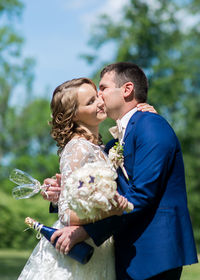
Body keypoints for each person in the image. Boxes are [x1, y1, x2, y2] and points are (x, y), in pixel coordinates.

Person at [50, 62, 198, 280]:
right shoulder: (113, 145)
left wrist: (86, 232)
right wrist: (64, 192)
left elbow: (141, 195)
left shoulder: (151, 126)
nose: (99, 95)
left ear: (127, 90)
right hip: (128, 251)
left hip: (154, 252)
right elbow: (102, 188)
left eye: (104, 88)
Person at [18, 77, 132, 280]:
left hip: (101, 247)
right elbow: (66, 214)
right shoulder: (77, 148)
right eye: (89, 102)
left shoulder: (98, 146)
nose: (99, 102)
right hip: (79, 247)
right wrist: (112, 210)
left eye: (97, 95)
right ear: (74, 116)